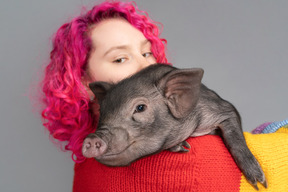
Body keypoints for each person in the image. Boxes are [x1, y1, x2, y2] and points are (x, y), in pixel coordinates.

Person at [41, 1, 288, 191]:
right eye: (120, 58)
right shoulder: (192, 163)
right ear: (85, 83)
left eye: (147, 53)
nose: (145, 65)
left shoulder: (83, 167)